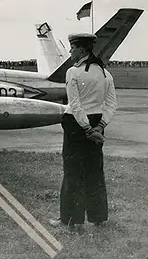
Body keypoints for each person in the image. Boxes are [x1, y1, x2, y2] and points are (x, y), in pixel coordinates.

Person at [50, 32, 117, 231]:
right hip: (97, 123)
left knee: (73, 172)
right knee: (94, 171)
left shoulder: (73, 72)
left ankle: (70, 219)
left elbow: (75, 105)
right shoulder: (106, 73)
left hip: (77, 125)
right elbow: (112, 105)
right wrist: (100, 127)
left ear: (80, 49)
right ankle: (98, 218)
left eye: (72, 48)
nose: (70, 51)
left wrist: (87, 128)